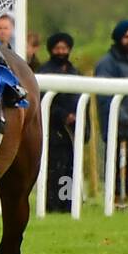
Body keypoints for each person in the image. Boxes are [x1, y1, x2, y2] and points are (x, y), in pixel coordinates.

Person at [94, 18, 128, 201]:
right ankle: (113, 196)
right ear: (118, 38)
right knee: (114, 162)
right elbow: (105, 95)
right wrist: (122, 117)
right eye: (127, 37)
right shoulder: (106, 63)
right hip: (116, 122)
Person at [36, 32, 84, 212]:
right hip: (52, 130)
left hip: (71, 132)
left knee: (70, 167)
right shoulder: (44, 72)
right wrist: (63, 115)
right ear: (51, 50)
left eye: (64, 49)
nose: (61, 52)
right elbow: (42, 101)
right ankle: (51, 205)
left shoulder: (74, 71)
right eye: (57, 49)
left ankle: (68, 204)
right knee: (54, 169)